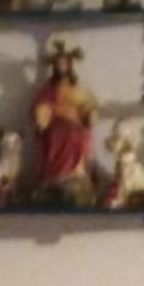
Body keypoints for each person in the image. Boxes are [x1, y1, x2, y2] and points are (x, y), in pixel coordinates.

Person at [32, 40, 97, 203]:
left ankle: (75, 172)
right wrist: (42, 118)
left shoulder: (77, 88)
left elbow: (88, 105)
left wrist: (90, 114)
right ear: (54, 67)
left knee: (75, 133)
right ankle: (55, 175)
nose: (61, 67)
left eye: (64, 64)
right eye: (58, 64)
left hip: (75, 124)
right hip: (56, 124)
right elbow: (42, 106)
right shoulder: (49, 89)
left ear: (69, 66)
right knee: (59, 133)